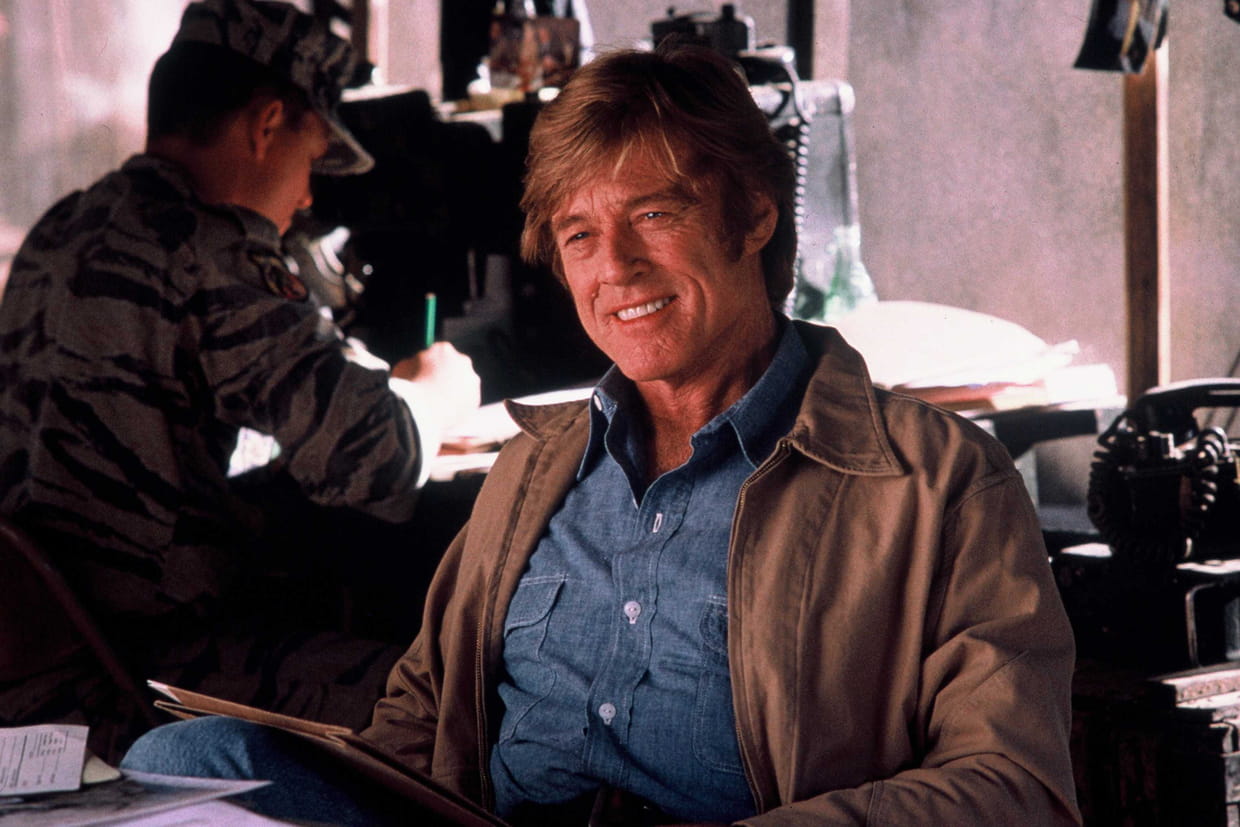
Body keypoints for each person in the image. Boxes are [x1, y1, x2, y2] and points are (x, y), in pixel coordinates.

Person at [122, 42, 1081, 825]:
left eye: (654, 213)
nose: (614, 265)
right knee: (188, 756)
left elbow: (1015, 788)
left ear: (754, 215)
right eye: (579, 234)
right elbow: (421, 722)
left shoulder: (937, 482)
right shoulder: (532, 466)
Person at [0, 0, 479, 759]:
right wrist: (436, 394)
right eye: (311, 157)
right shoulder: (207, 246)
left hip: (35, 666)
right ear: (267, 125)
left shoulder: (63, 227)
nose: (309, 196)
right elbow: (374, 454)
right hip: (132, 679)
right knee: (453, 701)